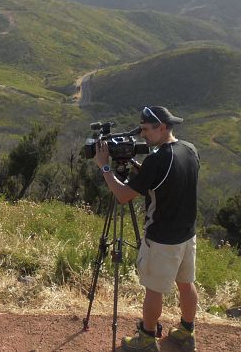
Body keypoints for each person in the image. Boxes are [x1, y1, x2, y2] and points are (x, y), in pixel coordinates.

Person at [94, 106, 200, 352]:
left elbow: (121, 195)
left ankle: (147, 338)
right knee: (186, 283)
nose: (142, 135)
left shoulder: (156, 160)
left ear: (162, 127)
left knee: (154, 289)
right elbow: (170, 181)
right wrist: (139, 169)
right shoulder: (190, 150)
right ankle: (187, 332)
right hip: (187, 234)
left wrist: (104, 166)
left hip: (162, 238)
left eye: (145, 130)